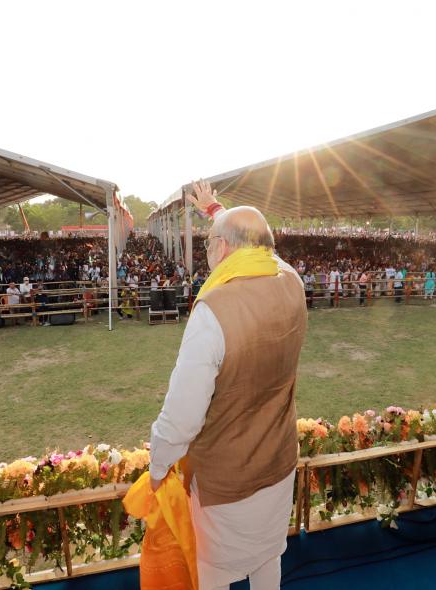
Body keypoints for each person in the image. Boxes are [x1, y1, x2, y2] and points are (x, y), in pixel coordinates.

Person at [149, 179, 307, 590]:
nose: (207, 254)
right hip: (278, 464)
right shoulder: (293, 283)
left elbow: (181, 419)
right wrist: (217, 212)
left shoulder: (212, 311)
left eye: (208, 245)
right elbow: (267, 253)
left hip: (225, 483)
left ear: (224, 248)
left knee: (213, 572)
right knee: (268, 557)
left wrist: (158, 466)